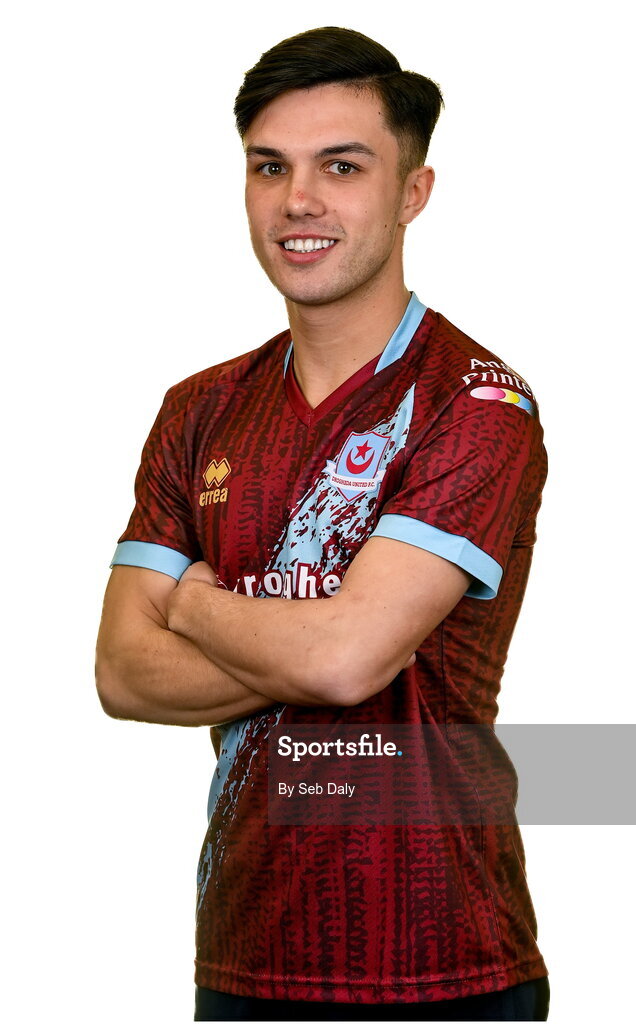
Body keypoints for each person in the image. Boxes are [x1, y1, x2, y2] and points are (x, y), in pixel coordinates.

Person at [95, 25, 550, 1022]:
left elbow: (345, 662)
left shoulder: (476, 402)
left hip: (444, 961)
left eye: (341, 166)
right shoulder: (199, 409)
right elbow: (123, 672)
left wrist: (194, 604)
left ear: (412, 191)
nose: (298, 200)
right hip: (245, 956)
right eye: (270, 167)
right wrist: (317, 636)